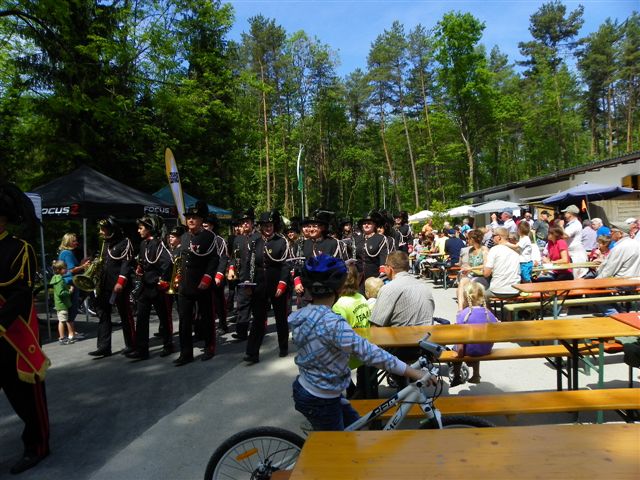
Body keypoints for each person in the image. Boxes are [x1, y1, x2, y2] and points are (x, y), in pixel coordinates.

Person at [289, 254, 430, 431]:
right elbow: (372, 354)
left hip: (312, 388)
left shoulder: (302, 315)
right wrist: (413, 372)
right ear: (339, 287)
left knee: (356, 429)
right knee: (338, 444)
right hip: (321, 399)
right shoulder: (334, 325)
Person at [0, 181, 51, 475]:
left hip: (12, 337)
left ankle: (38, 446)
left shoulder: (19, 249)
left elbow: (20, 295)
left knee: (27, 400)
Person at [174, 201, 220, 365]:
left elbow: (214, 259)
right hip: (185, 285)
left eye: (194, 217)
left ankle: (209, 347)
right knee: (184, 320)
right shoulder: (184, 237)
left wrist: (207, 278)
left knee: (207, 318)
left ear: (201, 220)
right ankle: (185, 353)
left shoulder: (209, 236)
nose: (191, 220)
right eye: (189, 218)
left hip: (202, 285)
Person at [244, 210, 290, 364]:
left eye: (270, 225)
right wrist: (247, 282)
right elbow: (248, 264)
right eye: (265, 225)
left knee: (280, 317)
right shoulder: (254, 242)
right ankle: (252, 353)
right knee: (258, 319)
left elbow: (285, 265)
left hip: (276, 284)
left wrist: (282, 283)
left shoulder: (282, 241)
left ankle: (283, 346)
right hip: (259, 286)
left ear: (274, 225)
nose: (268, 228)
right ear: (261, 226)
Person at [127, 215, 173, 360]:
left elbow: (168, 262)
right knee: (141, 318)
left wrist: (162, 280)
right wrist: (140, 268)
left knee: (164, 317)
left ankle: (168, 345)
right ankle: (142, 350)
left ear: (149, 229)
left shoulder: (159, 244)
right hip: (145, 286)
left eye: (141, 228)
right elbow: (144, 262)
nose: (138, 231)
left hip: (157, 287)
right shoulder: (143, 244)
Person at [89, 216, 135, 358]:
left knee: (125, 315)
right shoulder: (105, 243)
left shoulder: (125, 242)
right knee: (103, 314)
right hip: (105, 285)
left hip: (119, 285)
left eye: (103, 229)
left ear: (112, 229)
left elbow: (126, 263)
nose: (100, 232)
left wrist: (120, 282)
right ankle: (104, 347)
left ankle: (131, 344)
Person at [450, 282, 498, 387]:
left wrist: (459, 354)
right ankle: (476, 374)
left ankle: (457, 376)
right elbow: (495, 328)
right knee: (477, 341)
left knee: (456, 348)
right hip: (485, 349)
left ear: (466, 298)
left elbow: (460, 338)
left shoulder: (464, 314)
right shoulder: (488, 313)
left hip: (468, 350)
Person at [370, 251, 435, 327]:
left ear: (390, 269)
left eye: (385, 265)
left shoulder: (388, 289)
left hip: (402, 334)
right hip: (426, 333)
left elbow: (376, 325)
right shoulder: (424, 287)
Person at [595, 223, 640, 315]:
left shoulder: (619, 247)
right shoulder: (636, 243)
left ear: (620, 234)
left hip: (622, 282)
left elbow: (608, 270)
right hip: (635, 280)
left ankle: (614, 314)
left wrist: (595, 282)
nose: (609, 233)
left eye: (612, 231)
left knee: (592, 291)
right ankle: (619, 311)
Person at [227, 208, 256, 342]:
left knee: (257, 306)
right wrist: (231, 269)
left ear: (252, 223)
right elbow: (233, 257)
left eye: (247, 221)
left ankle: (259, 329)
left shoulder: (258, 237)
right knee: (242, 305)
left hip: (256, 277)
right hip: (242, 276)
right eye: (243, 222)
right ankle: (241, 332)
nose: (245, 224)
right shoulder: (237, 239)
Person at [203, 214, 230, 334]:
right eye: (203, 226)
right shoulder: (199, 239)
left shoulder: (219, 240)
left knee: (219, 302)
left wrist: (219, 275)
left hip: (216, 276)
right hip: (203, 276)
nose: (204, 228)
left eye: (206, 226)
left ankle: (223, 325)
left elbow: (224, 258)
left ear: (212, 226)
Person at [57, 233, 89, 327]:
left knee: (70, 307)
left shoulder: (65, 252)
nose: (76, 243)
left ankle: (70, 330)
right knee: (72, 308)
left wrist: (81, 263)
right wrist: (83, 266)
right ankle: (70, 331)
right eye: (74, 241)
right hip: (70, 282)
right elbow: (71, 270)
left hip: (67, 282)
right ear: (68, 242)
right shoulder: (67, 253)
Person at [482, 227, 521, 300]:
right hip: (515, 290)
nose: (492, 238)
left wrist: (485, 258)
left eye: (493, 236)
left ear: (499, 237)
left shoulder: (494, 250)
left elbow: (486, 274)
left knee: (479, 295)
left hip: (498, 290)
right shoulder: (516, 251)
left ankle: (488, 308)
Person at [456, 229, 489, 310]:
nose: (467, 240)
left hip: (482, 277)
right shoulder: (471, 250)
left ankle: (466, 310)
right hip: (472, 276)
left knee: (466, 288)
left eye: (468, 238)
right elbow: (470, 265)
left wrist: (471, 268)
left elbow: (486, 265)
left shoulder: (484, 249)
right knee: (462, 282)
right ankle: (460, 309)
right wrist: (466, 269)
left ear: (472, 239)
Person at [50, 260, 76, 344]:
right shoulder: (60, 280)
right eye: (65, 268)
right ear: (59, 270)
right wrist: (69, 291)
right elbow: (60, 293)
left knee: (62, 320)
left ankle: (62, 337)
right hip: (62, 304)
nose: (66, 270)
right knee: (62, 321)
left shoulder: (58, 278)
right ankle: (62, 338)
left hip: (61, 304)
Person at [561, 205, 588, 279]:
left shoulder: (575, 224)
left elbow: (565, 235)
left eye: (566, 212)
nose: (564, 214)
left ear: (570, 213)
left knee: (577, 277)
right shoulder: (572, 224)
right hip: (573, 254)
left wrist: (560, 226)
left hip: (576, 255)